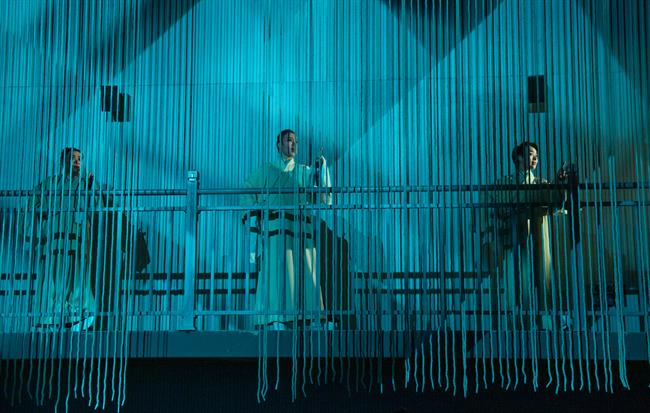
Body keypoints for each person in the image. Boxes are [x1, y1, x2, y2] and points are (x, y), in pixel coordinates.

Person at [240, 129, 332, 330]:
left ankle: (309, 317)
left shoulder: (303, 171)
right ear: (279, 144)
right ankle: (276, 318)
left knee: (305, 270)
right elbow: (247, 191)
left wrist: (320, 167)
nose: (293, 144)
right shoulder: (266, 171)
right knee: (276, 272)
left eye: (295, 141)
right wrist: (256, 209)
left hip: (299, 230)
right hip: (275, 231)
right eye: (289, 140)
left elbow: (320, 192)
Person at [481, 141, 568, 329]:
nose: (535, 158)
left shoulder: (541, 184)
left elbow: (556, 200)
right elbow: (488, 210)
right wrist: (495, 232)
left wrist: (559, 183)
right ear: (519, 157)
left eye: (536, 156)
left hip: (537, 239)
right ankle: (518, 326)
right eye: (530, 154)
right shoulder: (503, 184)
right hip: (512, 240)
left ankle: (542, 325)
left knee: (541, 282)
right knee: (515, 284)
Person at [21, 147, 102, 331]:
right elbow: (32, 207)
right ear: (62, 161)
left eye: (79, 158)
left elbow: (96, 208)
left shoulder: (87, 183)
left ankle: (77, 315)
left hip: (77, 239)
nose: (77, 162)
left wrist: (90, 188)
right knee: (51, 277)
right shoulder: (50, 184)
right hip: (53, 241)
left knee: (77, 276)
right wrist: (36, 233)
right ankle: (49, 317)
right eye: (72, 158)